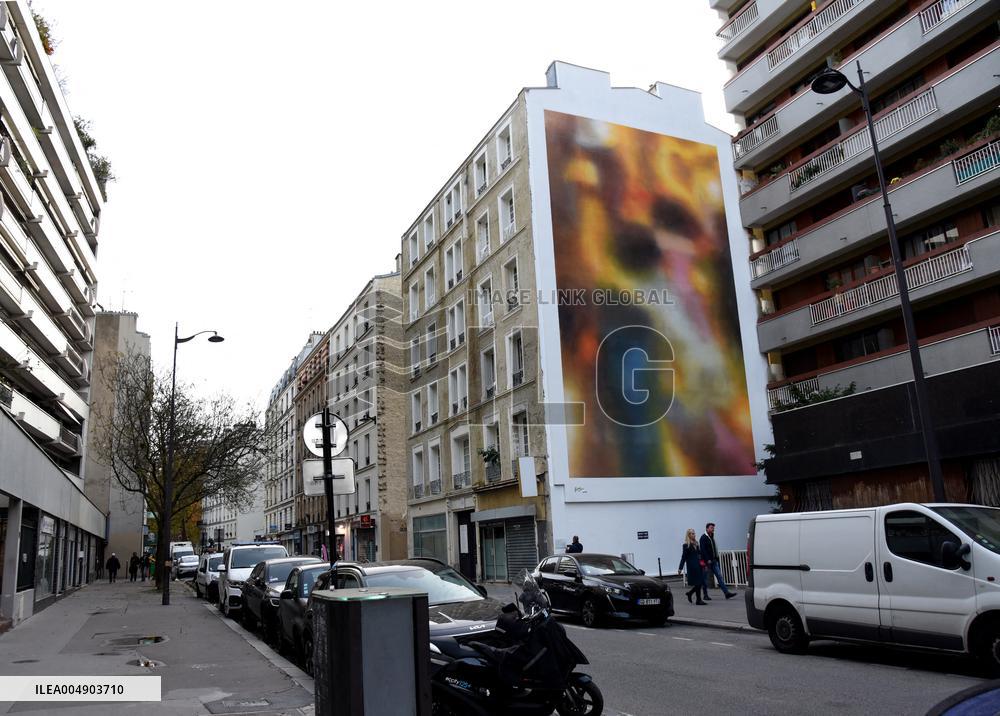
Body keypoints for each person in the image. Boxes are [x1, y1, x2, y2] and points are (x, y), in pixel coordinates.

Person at [700, 523, 736, 600]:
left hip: (714, 561)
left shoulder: (712, 537)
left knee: (719, 576)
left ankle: (726, 593)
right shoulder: (703, 538)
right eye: (711, 527)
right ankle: (705, 595)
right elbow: (703, 550)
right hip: (707, 562)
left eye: (713, 528)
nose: (713, 529)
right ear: (707, 529)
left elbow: (713, 548)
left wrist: (716, 558)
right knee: (705, 579)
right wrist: (707, 559)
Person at [677, 529, 706, 605]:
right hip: (692, 567)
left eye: (694, 533)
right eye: (692, 534)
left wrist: (703, 563)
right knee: (698, 582)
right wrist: (680, 568)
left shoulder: (696, 543)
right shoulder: (686, 545)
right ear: (689, 535)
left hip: (699, 565)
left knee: (699, 583)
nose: (694, 535)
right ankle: (698, 600)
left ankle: (691, 594)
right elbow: (683, 557)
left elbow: (699, 554)